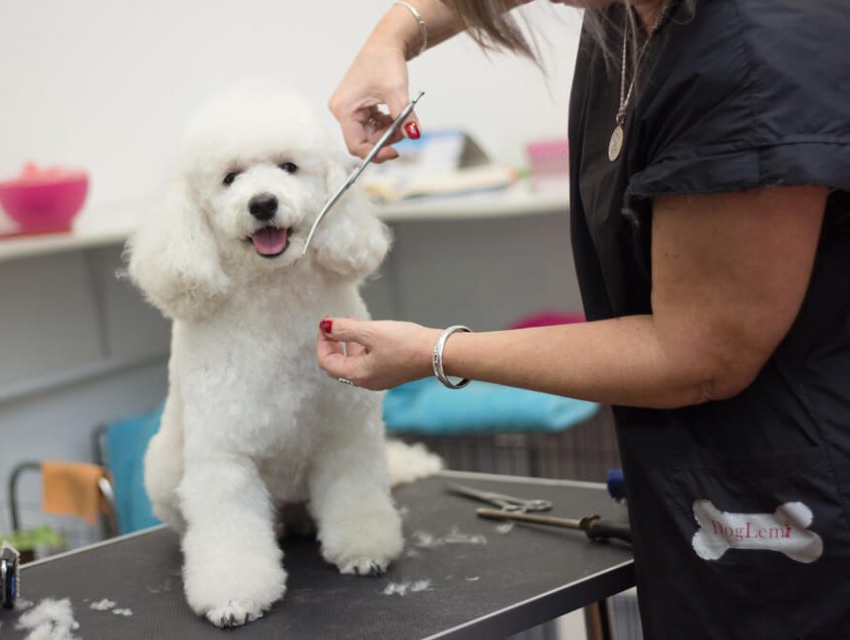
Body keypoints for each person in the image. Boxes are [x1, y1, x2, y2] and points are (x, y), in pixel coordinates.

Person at [316, 1, 850, 638]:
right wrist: (396, 34)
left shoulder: (752, 60)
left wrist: (437, 353)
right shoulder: (631, 16)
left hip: (797, 505)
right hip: (701, 475)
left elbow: (696, 357)